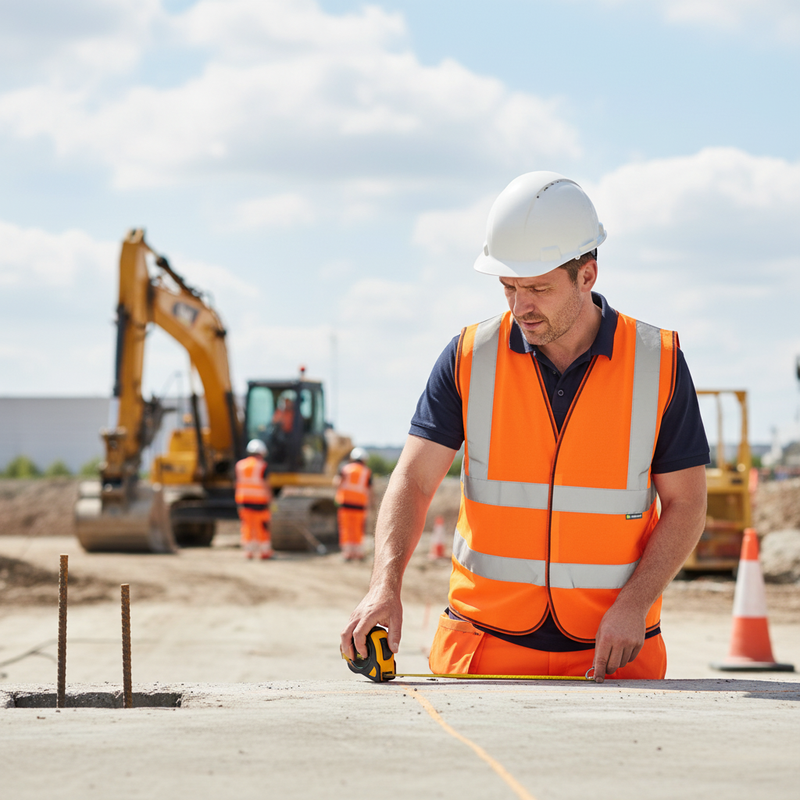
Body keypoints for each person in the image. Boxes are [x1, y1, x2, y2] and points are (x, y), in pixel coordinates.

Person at [341, 171, 709, 682]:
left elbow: (688, 504)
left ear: (588, 275)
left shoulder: (658, 363)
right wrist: (386, 583)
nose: (521, 307)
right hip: (482, 650)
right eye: (509, 288)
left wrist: (635, 604)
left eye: (538, 288)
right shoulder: (469, 358)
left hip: (615, 651)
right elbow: (414, 479)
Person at [235, 439, 273, 560]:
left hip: (244, 500)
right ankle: (264, 551)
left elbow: (236, 483)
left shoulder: (240, 465)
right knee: (261, 526)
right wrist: (271, 499)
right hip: (260, 501)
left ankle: (249, 551)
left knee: (247, 526)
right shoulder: (262, 466)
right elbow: (266, 484)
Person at [334, 447, 373, 562]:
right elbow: (370, 490)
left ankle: (347, 553)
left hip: (345, 503)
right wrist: (371, 504)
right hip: (360, 505)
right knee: (358, 529)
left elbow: (337, 483)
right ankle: (358, 552)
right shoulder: (367, 471)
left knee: (346, 528)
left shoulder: (345, 469)